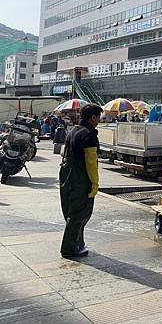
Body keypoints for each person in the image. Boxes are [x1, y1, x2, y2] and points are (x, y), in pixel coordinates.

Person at [58, 104, 102, 258]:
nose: (99, 121)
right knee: (81, 212)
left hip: (66, 173)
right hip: (79, 177)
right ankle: (70, 247)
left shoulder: (72, 130)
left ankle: (78, 242)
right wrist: (95, 184)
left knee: (70, 210)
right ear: (93, 118)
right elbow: (91, 162)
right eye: (98, 118)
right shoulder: (89, 134)